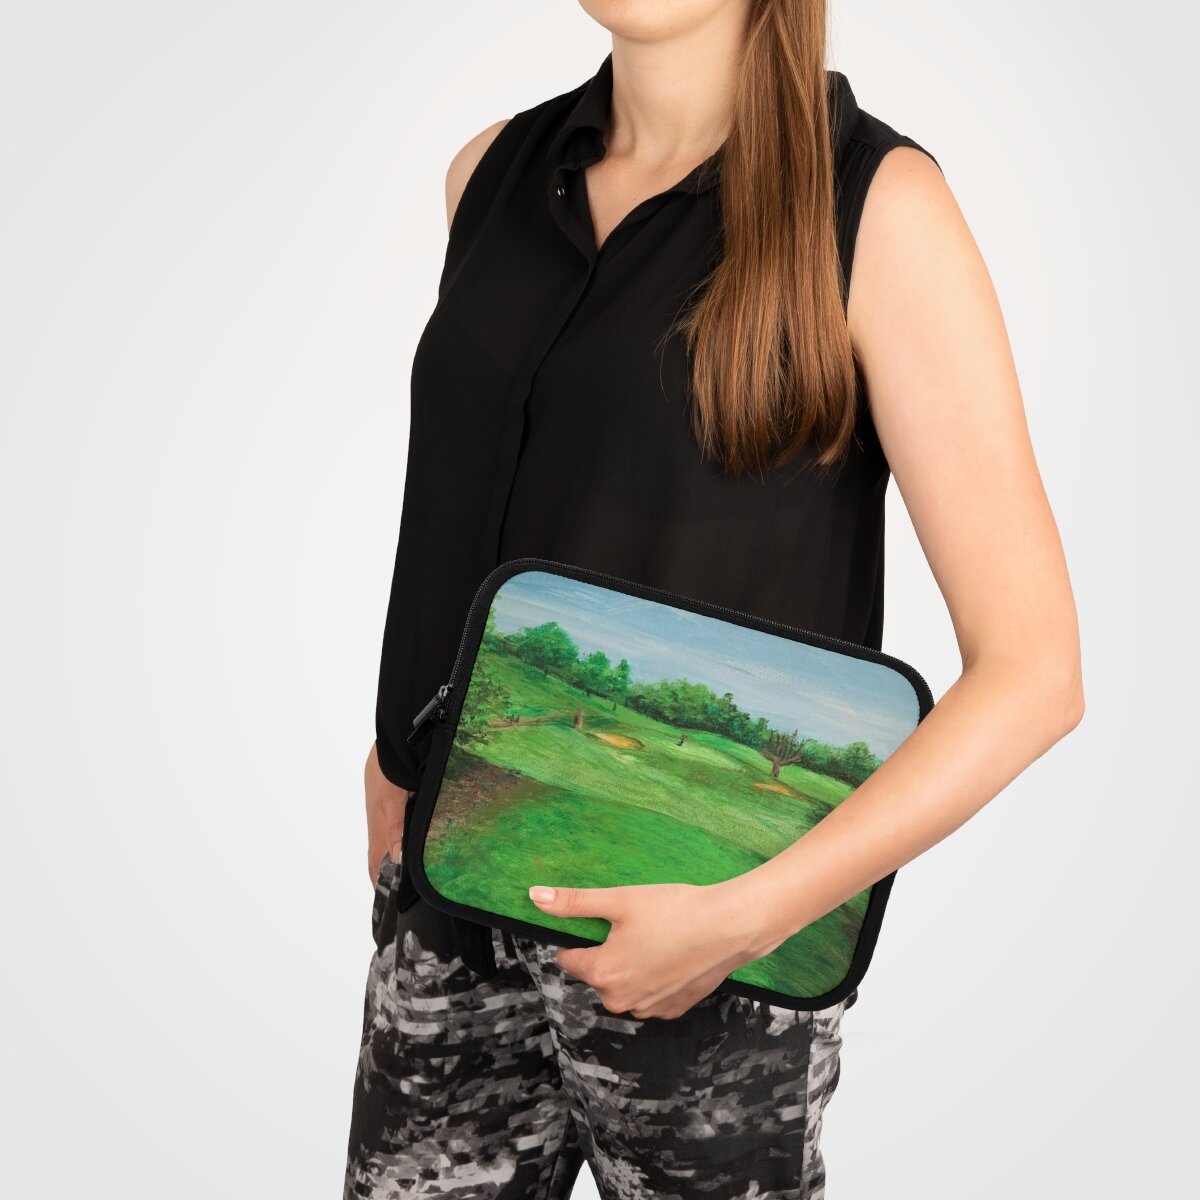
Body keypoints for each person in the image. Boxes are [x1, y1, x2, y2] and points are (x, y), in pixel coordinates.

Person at [344, 2, 1084, 1197]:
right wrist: (394, 749)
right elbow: (484, 498)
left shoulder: (879, 209)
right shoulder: (487, 175)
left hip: (715, 968)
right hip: (448, 899)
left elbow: (1036, 672)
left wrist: (745, 917)